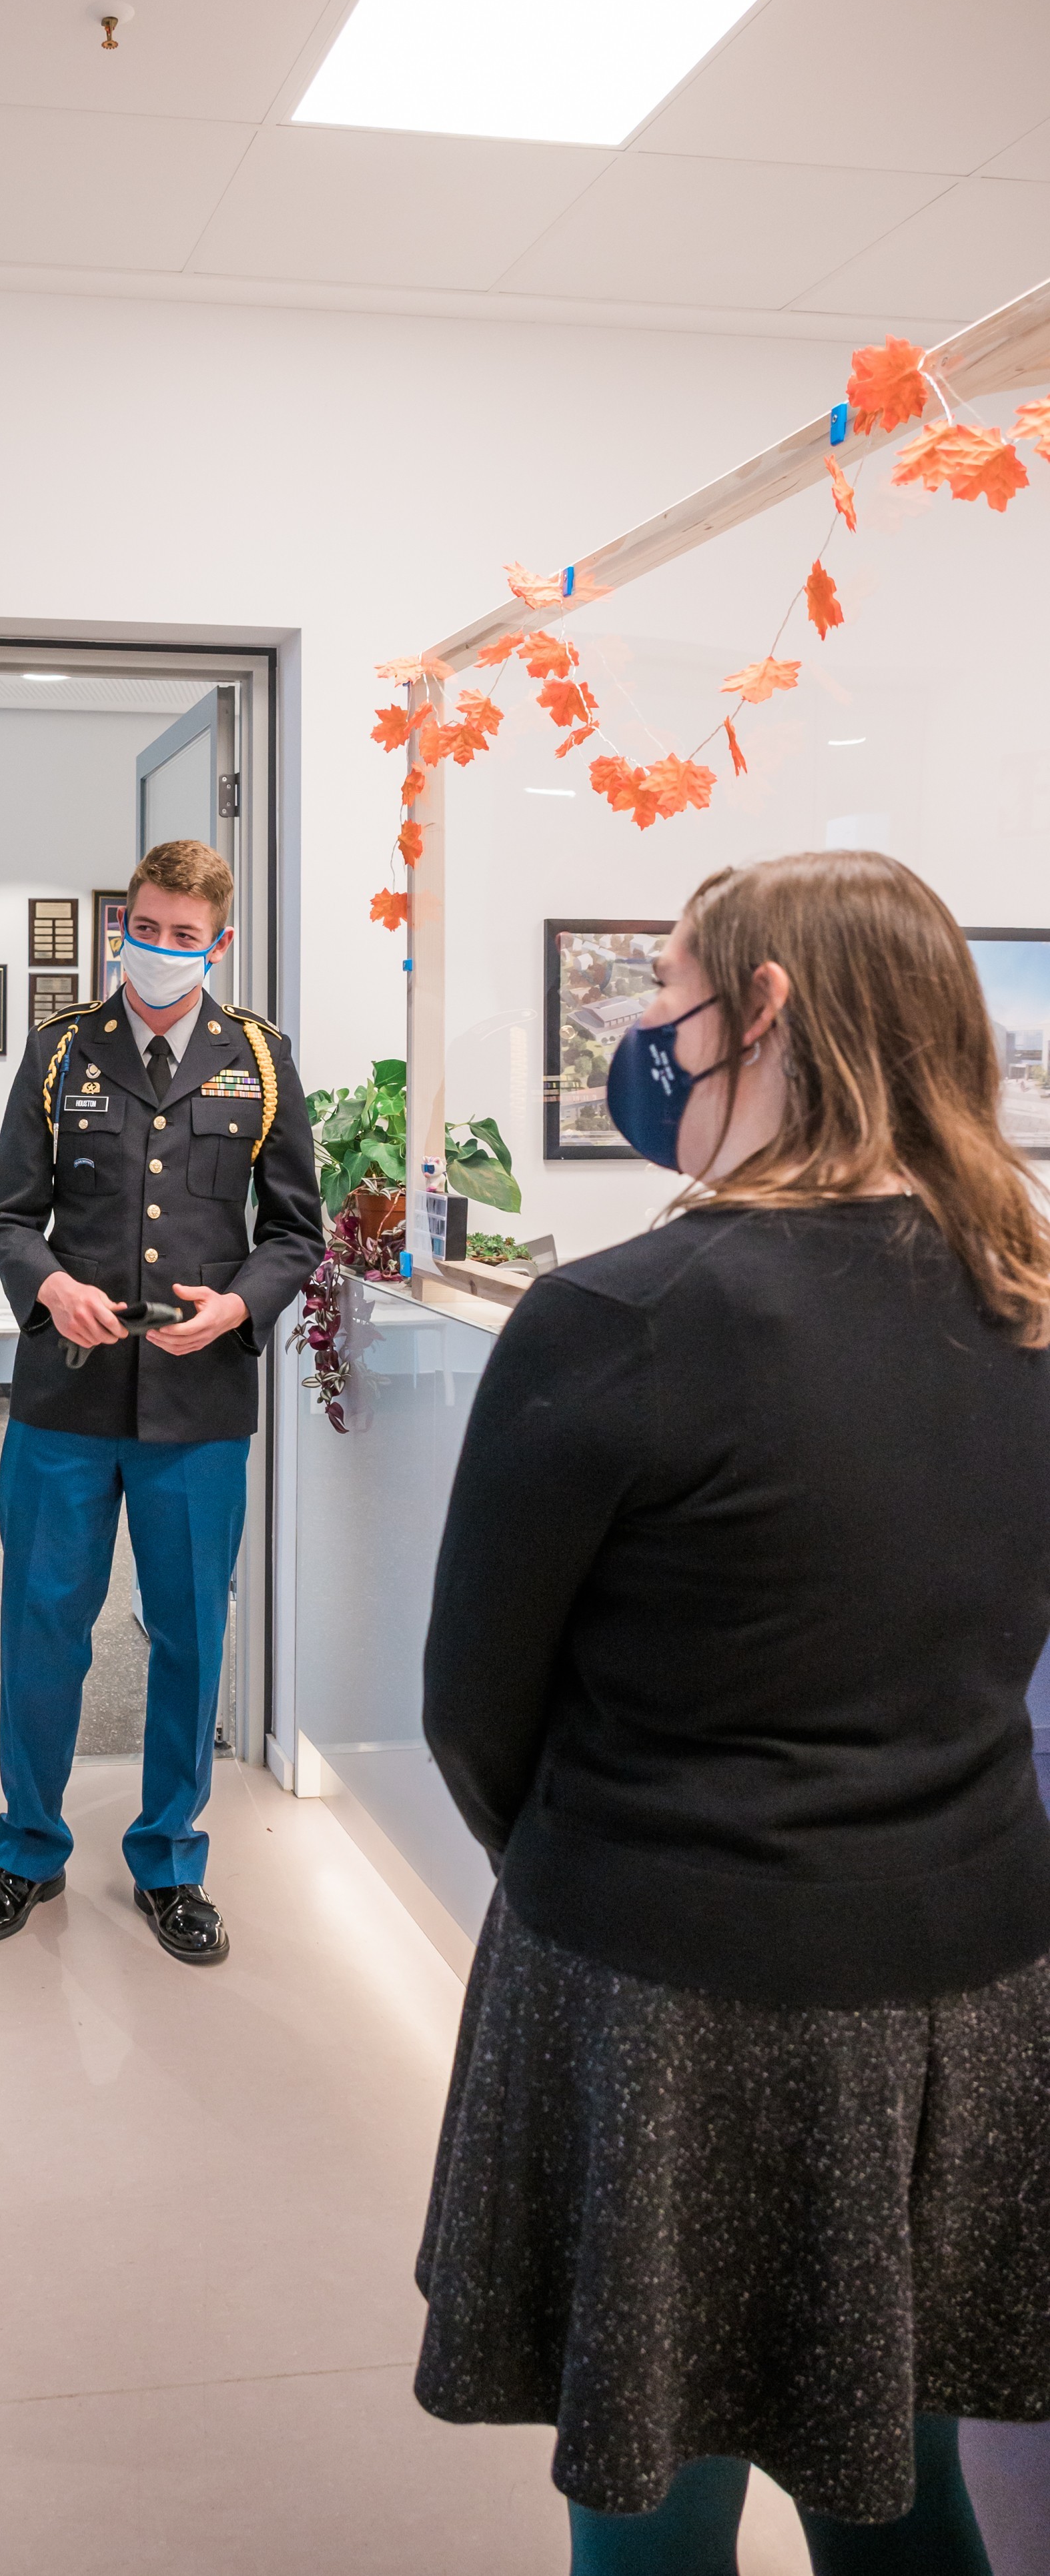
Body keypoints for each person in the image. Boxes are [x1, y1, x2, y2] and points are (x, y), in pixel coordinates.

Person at [414, 850, 1050, 2572]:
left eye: (670, 988)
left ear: (761, 1007)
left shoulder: (617, 1316)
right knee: (907, 2480)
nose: (645, 1031)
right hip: (966, 1988)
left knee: (649, 2478)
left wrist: (598, 1861)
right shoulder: (1029, 1300)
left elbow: (473, 1707)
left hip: (673, 1996)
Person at [0, 838, 322, 1964]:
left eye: (186, 936)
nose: (163, 951)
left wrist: (242, 1306)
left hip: (199, 1407)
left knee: (189, 1638)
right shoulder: (61, 1051)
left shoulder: (258, 1060)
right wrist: (49, 1283)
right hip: (65, 1401)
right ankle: (27, 1846)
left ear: (219, 941)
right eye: (147, 929)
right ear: (124, 922)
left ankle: (169, 1857)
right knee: (45, 1626)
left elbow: (296, 1231)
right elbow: (6, 1218)